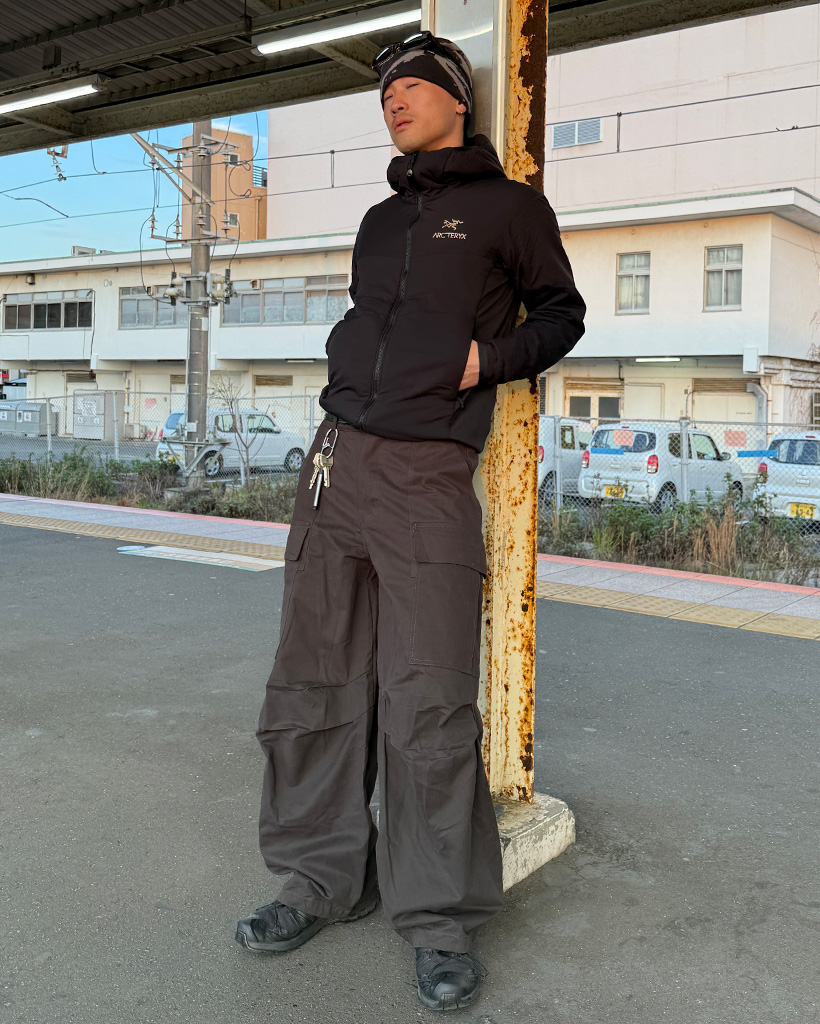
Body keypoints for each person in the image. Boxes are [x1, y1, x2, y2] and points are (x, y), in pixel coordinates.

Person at [236, 31, 586, 1012]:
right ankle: (319, 878)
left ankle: (435, 918)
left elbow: (560, 314)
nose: (392, 100)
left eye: (410, 86)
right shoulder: (379, 220)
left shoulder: (509, 209)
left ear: (456, 99)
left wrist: (482, 362)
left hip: (430, 470)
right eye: (384, 90)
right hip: (336, 463)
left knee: (429, 694)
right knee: (314, 678)